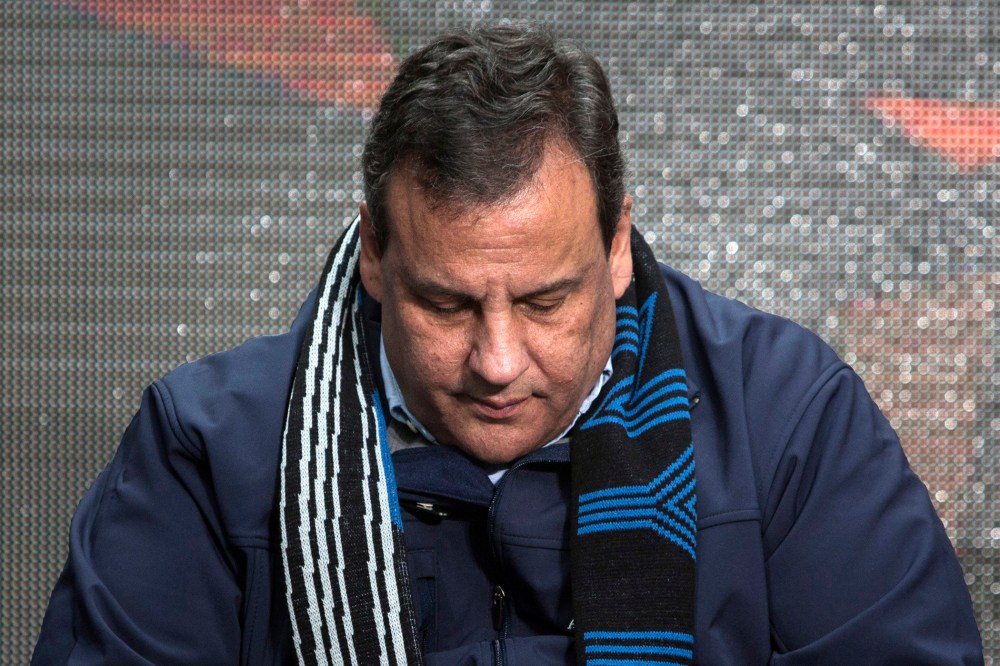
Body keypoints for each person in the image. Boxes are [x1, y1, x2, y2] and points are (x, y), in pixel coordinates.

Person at [34, 24, 983, 665]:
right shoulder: (204, 450)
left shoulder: (787, 421)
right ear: (374, 253)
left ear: (615, 247)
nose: (496, 361)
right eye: (446, 305)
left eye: (544, 301)